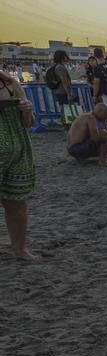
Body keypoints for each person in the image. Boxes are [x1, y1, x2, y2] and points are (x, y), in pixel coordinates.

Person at [0, 70, 37, 259]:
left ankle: (19, 249)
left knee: (17, 203)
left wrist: (27, 110)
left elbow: (29, 123)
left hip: (18, 151)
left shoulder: (11, 84)